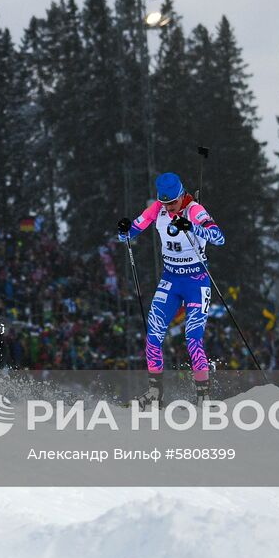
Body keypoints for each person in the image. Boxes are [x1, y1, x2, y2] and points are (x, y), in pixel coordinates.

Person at [116, 171, 225, 405]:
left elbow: (218, 237)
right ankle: (155, 393)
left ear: (181, 195)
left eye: (173, 203)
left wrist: (193, 227)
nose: (170, 208)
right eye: (165, 204)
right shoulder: (158, 208)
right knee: (153, 335)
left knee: (193, 339)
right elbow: (130, 232)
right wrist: (124, 230)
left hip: (196, 282)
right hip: (171, 280)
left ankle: (203, 395)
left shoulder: (194, 210)